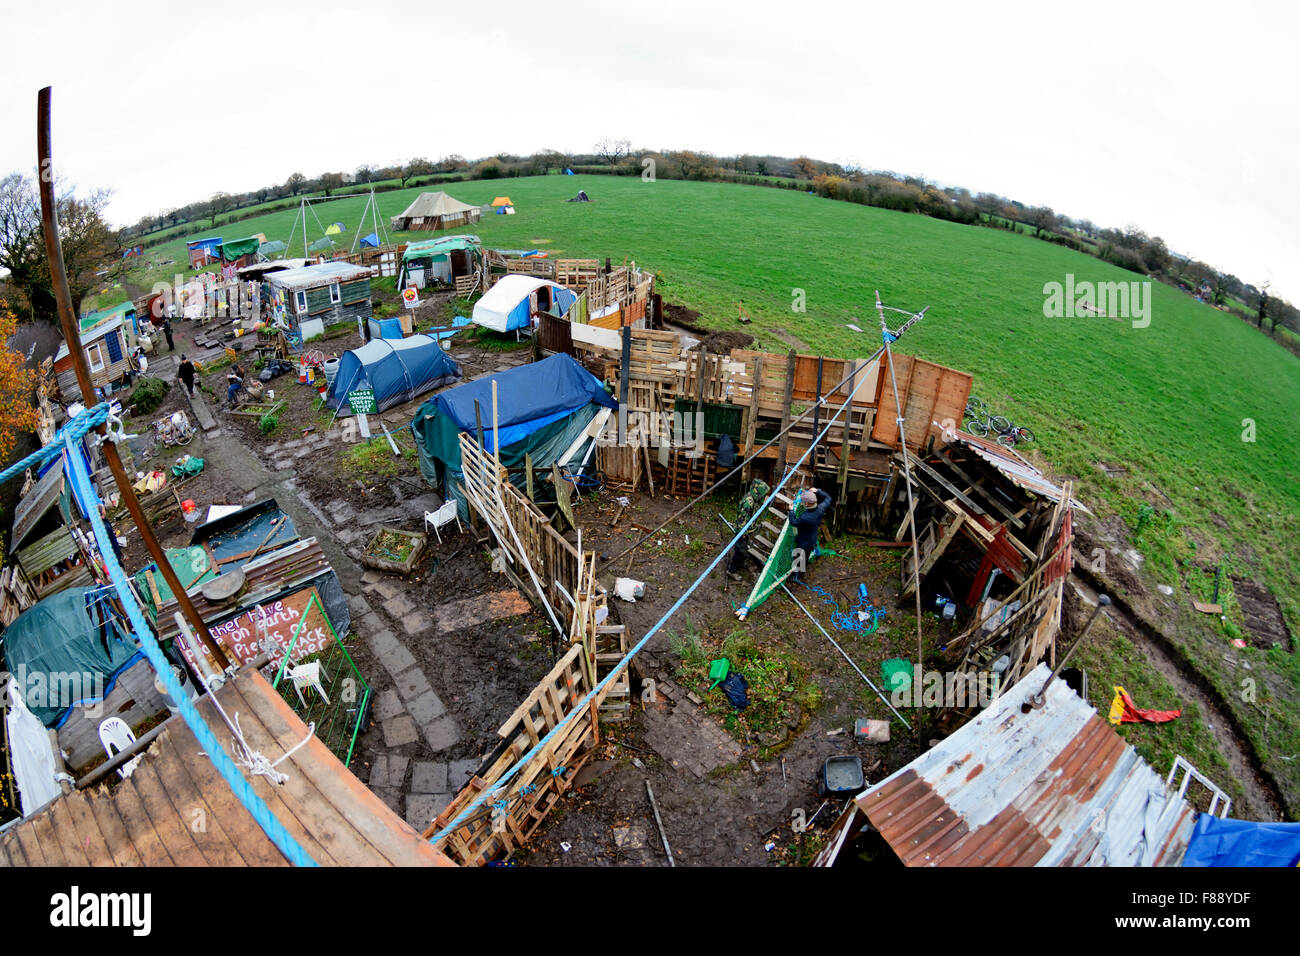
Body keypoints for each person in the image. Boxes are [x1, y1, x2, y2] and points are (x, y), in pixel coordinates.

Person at [727, 477, 770, 580]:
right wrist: (744, 533)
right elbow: (743, 520)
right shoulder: (748, 503)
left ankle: (740, 562)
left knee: (744, 548)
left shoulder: (754, 499)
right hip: (742, 532)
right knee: (740, 550)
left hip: (748, 530)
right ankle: (731, 570)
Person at [789, 487, 833, 575]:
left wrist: (791, 511)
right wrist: (818, 490)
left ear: (806, 503)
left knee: (799, 557)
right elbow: (828, 498)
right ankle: (801, 568)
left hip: (803, 541)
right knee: (806, 555)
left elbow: (793, 522)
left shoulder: (805, 517)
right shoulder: (821, 508)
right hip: (812, 538)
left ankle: (798, 574)